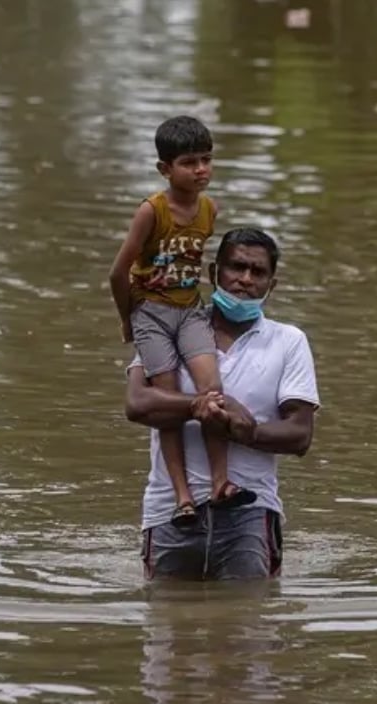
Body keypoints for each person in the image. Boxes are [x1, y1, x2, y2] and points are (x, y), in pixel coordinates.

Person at [125, 227, 320, 581]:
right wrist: (202, 405)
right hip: (169, 510)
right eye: (236, 267)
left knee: (249, 629)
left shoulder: (288, 341)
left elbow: (300, 434)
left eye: (257, 272)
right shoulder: (168, 327)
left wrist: (247, 430)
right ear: (214, 272)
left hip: (250, 510)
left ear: (271, 285)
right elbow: (137, 404)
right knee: (168, 628)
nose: (244, 279)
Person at [108, 115, 252, 530]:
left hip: (190, 310)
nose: (201, 170)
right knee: (167, 405)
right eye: (189, 162)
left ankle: (220, 483)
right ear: (165, 169)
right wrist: (127, 321)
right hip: (150, 312)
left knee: (213, 389)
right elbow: (118, 273)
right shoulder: (151, 212)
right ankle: (183, 497)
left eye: (207, 160)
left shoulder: (209, 209)